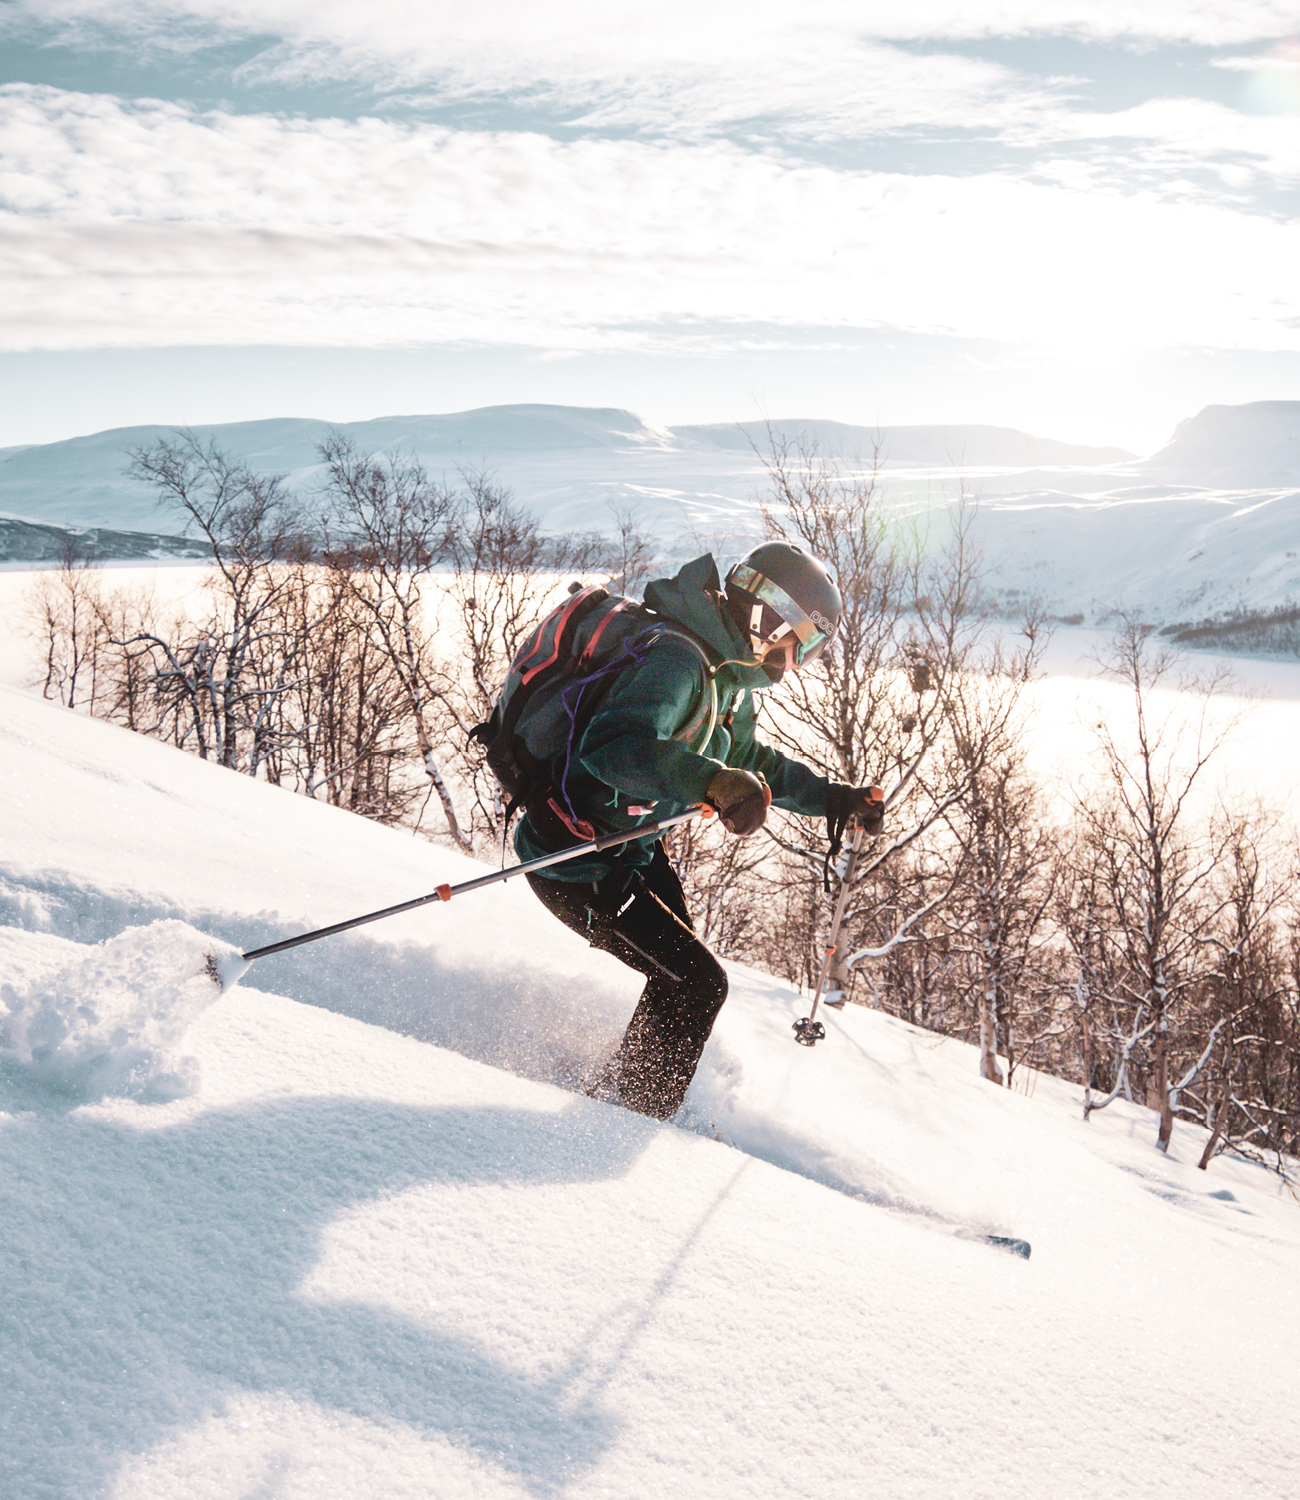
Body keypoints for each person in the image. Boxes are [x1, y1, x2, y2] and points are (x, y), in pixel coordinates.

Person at [521, 542, 883, 1120]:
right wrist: (711, 781)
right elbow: (612, 748)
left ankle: (622, 1095)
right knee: (696, 987)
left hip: (627, 847)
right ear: (771, 616)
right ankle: (626, 1119)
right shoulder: (681, 663)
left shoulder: (722, 674)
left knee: (681, 976)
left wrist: (835, 799)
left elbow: (750, 762)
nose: (798, 661)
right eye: (805, 643)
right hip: (575, 860)